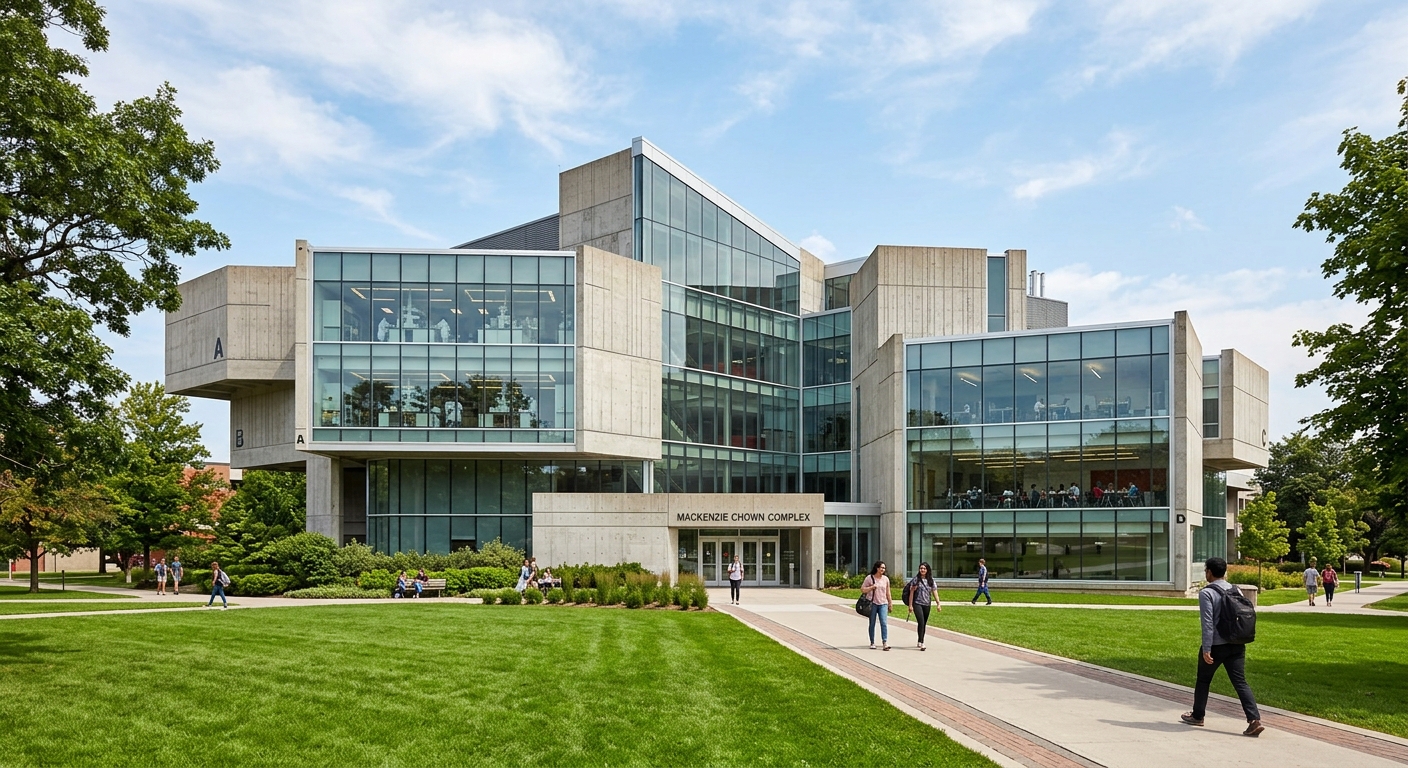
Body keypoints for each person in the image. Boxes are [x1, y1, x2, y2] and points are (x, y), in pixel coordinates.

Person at [1181, 557, 1263, 737]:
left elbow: (1207, 623)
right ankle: (1254, 720)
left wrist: (1207, 648)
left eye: (1206, 571)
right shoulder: (1236, 590)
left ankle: (1198, 715)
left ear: (1209, 572)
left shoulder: (1206, 593)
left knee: (1203, 680)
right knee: (1240, 682)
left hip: (1217, 645)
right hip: (1237, 643)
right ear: (1225, 572)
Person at [905, 562, 940, 651]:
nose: (922, 570)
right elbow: (911, 593)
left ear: (927, 570)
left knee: (924, 623)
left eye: (924, 568)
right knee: (921, 621)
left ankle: (920, 639)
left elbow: (934, 591)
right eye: (921, 568)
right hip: (917, 603)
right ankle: (922, 642)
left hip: (927, 604)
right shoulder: (916, 580)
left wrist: (938, 603)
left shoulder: (931, 580)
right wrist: (910, 605)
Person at [861, 561, 892, 650]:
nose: (883, 569)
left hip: (883, 603)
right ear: (877, 568)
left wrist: (890, 603)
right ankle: (872, 642)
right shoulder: (869, 578)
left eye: (884, 568)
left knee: (884, 623)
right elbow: (862, 589)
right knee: (872, 623)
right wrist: (871, 587)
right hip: (872, 603)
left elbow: (888, 592)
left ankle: (885, 642)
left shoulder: (885, 579)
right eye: (881, 568)